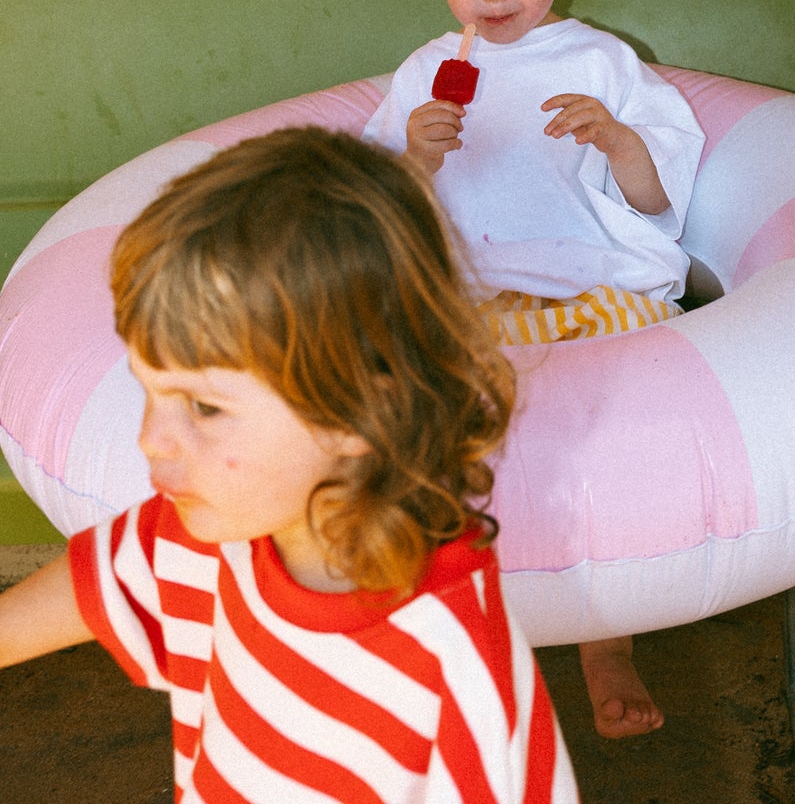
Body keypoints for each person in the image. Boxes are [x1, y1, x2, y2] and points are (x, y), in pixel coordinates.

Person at [0, 126, 576, 803]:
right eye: (149, 391)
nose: (152, 439)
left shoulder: (448, 680)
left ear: (358, 408)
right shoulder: (218, 528)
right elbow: (114, 575)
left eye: (204, 407)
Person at [363, 0, 704, 742]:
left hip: (589, 287)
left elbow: (656, 197)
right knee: (434, 440)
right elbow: (370, 211)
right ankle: (459, 631)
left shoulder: (600, 61)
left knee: (603, 453)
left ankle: (605, 636)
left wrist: (618, 138)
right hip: (472, 297)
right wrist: (413, 156)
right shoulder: (426, 72)